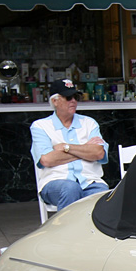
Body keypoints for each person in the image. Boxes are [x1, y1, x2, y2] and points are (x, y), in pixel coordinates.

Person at [30, 79, 109, 211]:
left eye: (75, 97)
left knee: (104, 194)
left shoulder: (89, 123)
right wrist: (84, 149)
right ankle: (65, 231)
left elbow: (99, 153)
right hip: (54, 183)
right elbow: (46, 159)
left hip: (90, 182)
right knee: (71, 188)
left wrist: (66, 148)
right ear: (54, 101)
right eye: (68, 97)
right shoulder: (40, 126)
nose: (73, 101)